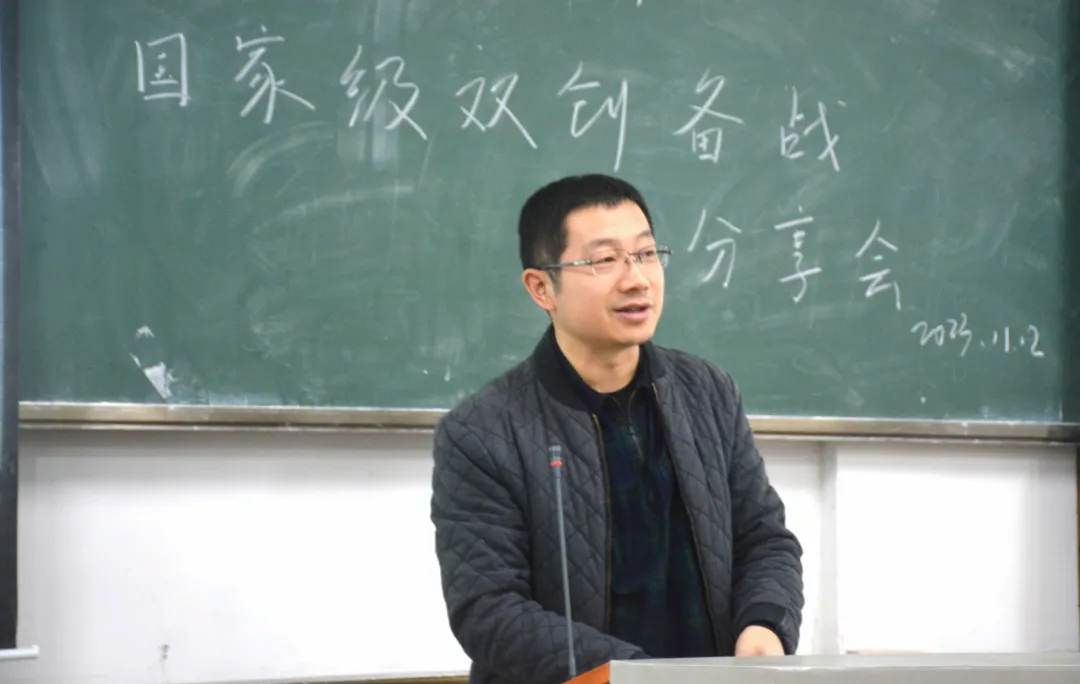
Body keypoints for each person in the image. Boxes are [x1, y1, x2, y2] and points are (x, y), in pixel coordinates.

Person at [430, 174, 803, 684]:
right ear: (542, 288)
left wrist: (765, 626)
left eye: (647, 254)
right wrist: (634, 676)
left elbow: (763, 539)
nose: (637, 279)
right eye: (604, 260)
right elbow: (488, 609)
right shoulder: (483, 431)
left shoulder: (708, 391)